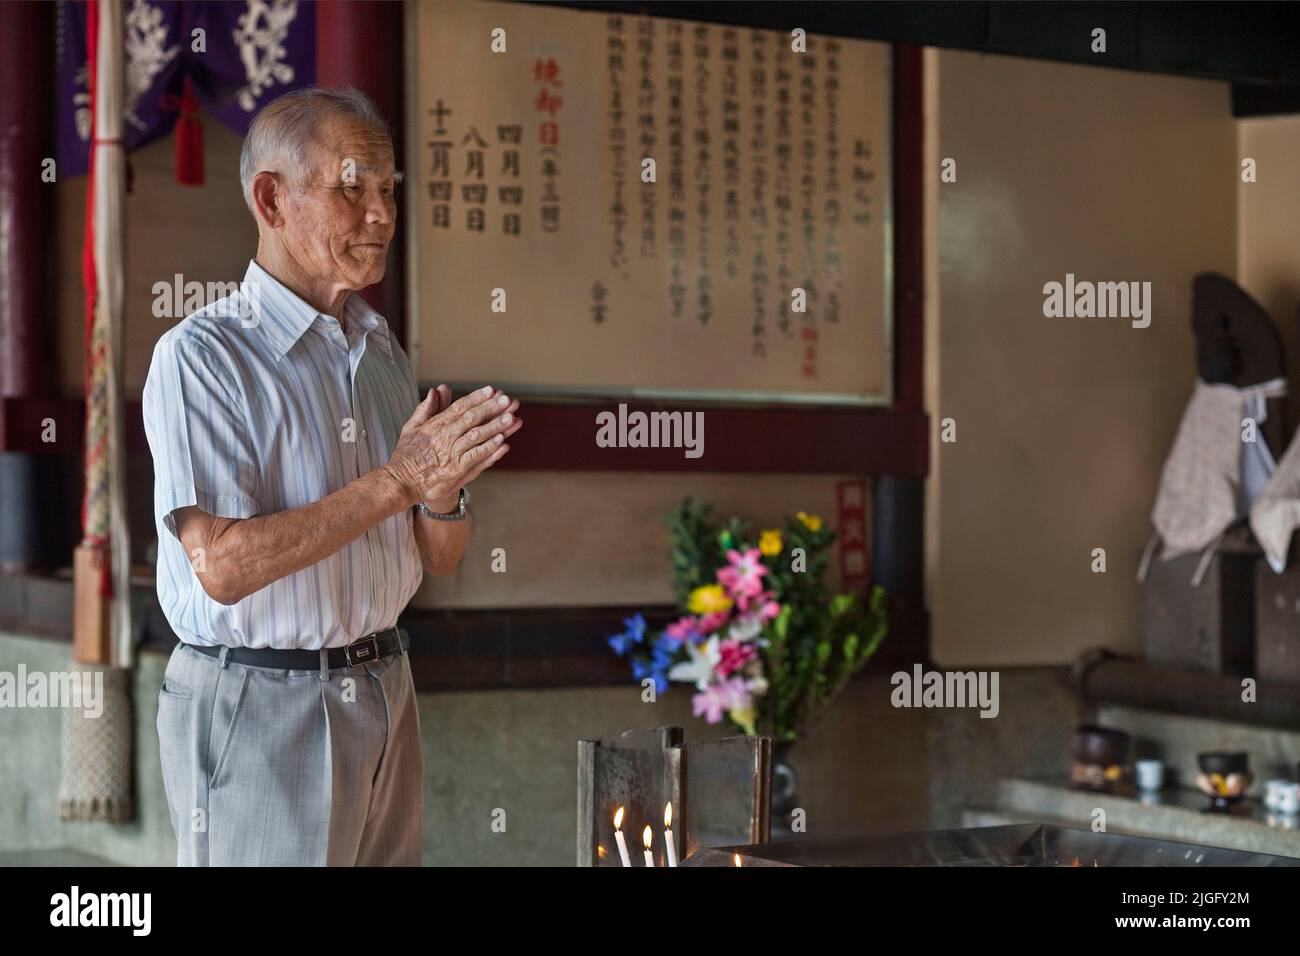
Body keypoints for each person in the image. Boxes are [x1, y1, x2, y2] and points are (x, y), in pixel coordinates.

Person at [142, 86, 521, 865]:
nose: (381, 212)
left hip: (385, 684)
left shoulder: (379, 350)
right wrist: (400, 479)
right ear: (272, 200)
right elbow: (223, 565)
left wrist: (441, 494)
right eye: (353, 185)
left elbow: (438, 560)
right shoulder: (203, 357)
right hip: (260, 702)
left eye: (387, 189)